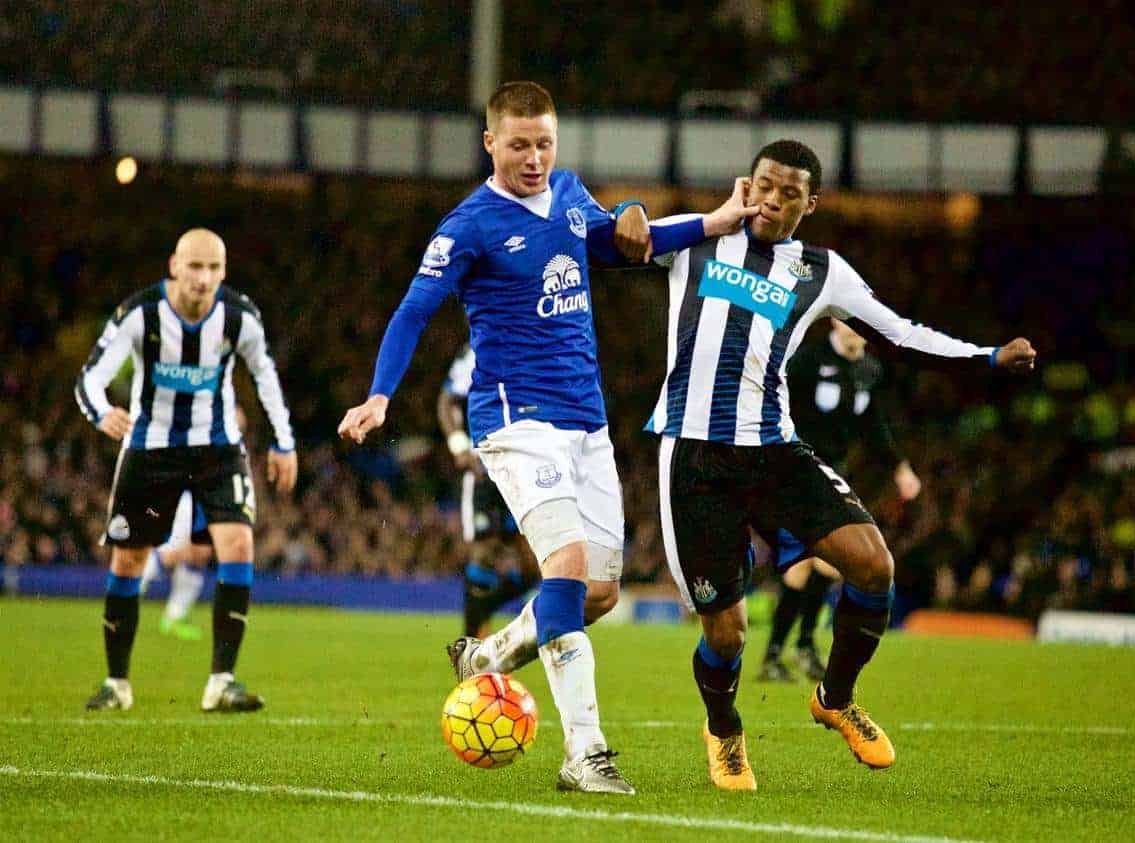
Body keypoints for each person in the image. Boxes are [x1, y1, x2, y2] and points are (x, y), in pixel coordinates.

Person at [338, 81, 757, 794]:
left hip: (586, 422)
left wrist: (712, 222)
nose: (533, 158)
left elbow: (625, 242)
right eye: (519, 144)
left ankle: (492, 652)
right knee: (564, 568)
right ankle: (585, 752)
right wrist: (381, 393)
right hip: (514, 421)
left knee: (598, 592)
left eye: (544, 143)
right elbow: (413, 311)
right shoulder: (467, 226)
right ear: (490, 143)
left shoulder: (566, 192)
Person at [645, 140, 1036, 790]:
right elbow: (621, 236)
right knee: (727, 633)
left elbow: (901, 330)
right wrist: (658, 214)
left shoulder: (821, 270)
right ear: (749, 183)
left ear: (811, 202)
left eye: (789, 192)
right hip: (694, 456)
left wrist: (986, 356)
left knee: (873, 562)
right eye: (765, 185)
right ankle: (723, 727)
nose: (772, 200)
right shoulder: (698, 241)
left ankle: (834, 695)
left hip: (773, 450)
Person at [75, 228, 298, 712]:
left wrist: (284, 442)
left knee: (238, 543)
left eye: (214, 269)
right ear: (174, 266)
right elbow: (90, 377)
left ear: (224, 272)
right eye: (195, 267)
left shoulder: (240, 318)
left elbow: (265, 376)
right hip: (151, 448)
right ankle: (117, 683)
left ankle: (222, 681)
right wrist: (101, 412)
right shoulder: (141, 315)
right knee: (129, 561)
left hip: (217, 449)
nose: (204, 278)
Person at [759, 318, 921, 683]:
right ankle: (784, 651)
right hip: (796, 472)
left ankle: (793, 648)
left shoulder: (870, 370)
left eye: (862, 326)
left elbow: (873, 425)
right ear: (834, 321)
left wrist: (900, 468)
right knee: (808, 564)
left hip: (835, 475)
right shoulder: (808, 361)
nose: (856, 332)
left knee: (826, 566)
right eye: (849, 324)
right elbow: (776, 406)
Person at [437, 343, 539, 637]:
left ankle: (482, 612)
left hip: (523, 468)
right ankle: (471, 644)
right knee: (483, 551)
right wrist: (458, 445)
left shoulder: (534, 345)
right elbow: (446, 401)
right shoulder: (477, 350)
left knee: (533, 567)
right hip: (484, 468)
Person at [140, 490, 213, 641]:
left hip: (183, 496)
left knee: (191, 560)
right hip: (190, 500)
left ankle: (173, 618)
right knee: (190, 556)